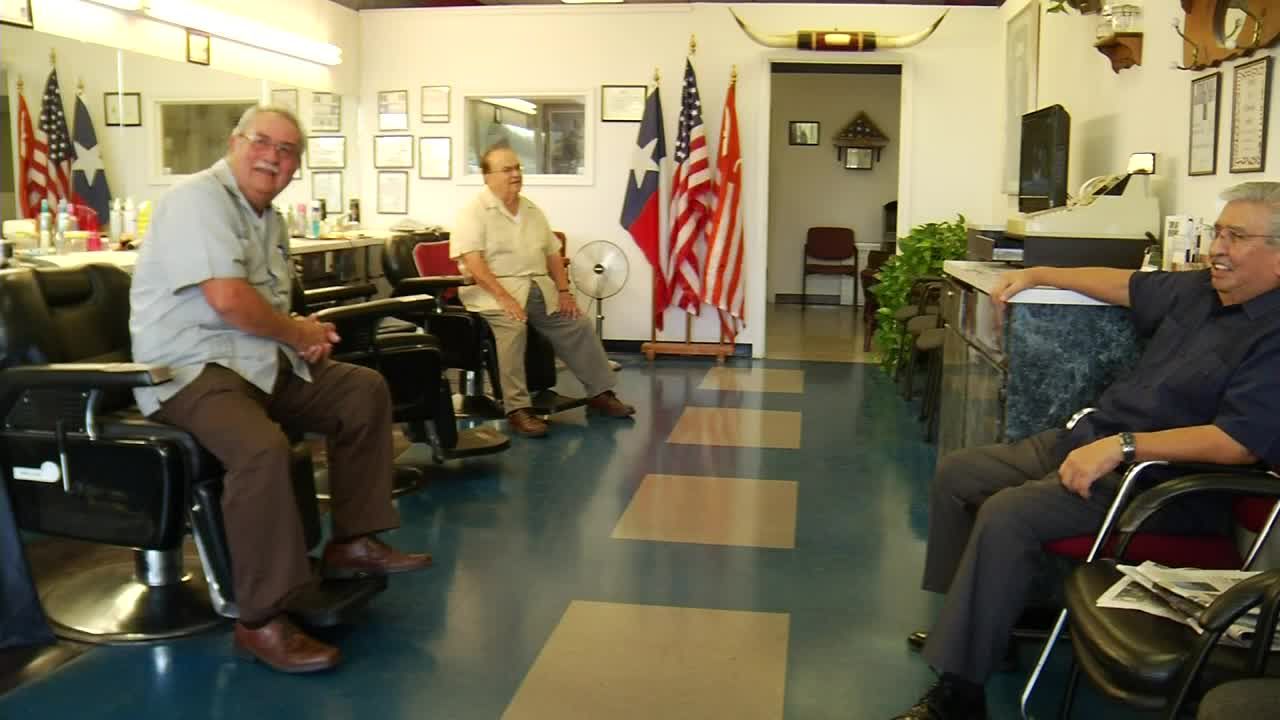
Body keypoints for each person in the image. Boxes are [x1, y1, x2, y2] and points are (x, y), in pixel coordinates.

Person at [893, 181, 1280, 720]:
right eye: (1218, 232)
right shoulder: (1203, 290)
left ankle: (961, 691)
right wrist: (1039, 273)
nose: (1217, 248)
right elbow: (1124, 285)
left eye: (1236, 237)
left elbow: (1236, 444)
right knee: (960, 474)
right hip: (1093, 443)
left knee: (1009, 515)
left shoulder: (1273, 335)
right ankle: (981, 627)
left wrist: (1123, 447)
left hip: (1156, 486)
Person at [129, 105, 431, 674]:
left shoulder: (269, 217)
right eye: (262, 141)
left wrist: (306, 338)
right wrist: (295, 331)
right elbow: (228, 299)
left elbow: (267, 306)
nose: (274, 155)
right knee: (262, 450)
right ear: (234, 142)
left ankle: (352, 542)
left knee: (360, 391)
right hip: (189, 370)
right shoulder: (198, 199)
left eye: (288, 149)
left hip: (258, 362)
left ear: (296, 166)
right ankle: (260, 619)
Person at [450, 144, 635, 437]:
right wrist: (504, 297)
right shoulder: (473, 212)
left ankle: (600, 392)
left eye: (517, 168)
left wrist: (564, 292)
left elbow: (553, 254)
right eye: (507, 169)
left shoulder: (531, 210)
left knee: (578, 324)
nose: (515, 174)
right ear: (487, 176)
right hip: (493, 291)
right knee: (513, 327)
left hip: (538, 288)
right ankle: (518, 409)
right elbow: (474, 264)